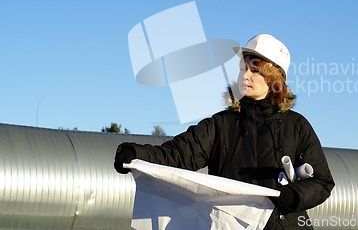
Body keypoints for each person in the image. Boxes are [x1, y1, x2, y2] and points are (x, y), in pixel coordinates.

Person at [114, 34, 334, 229]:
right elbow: (178, 155)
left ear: (274, 78)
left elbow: (322, 182)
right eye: (242, 69)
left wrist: (294, 196)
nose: (245, 76)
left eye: (254, 70)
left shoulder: (297, 126)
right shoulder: (221, 125)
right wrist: (137, 155)